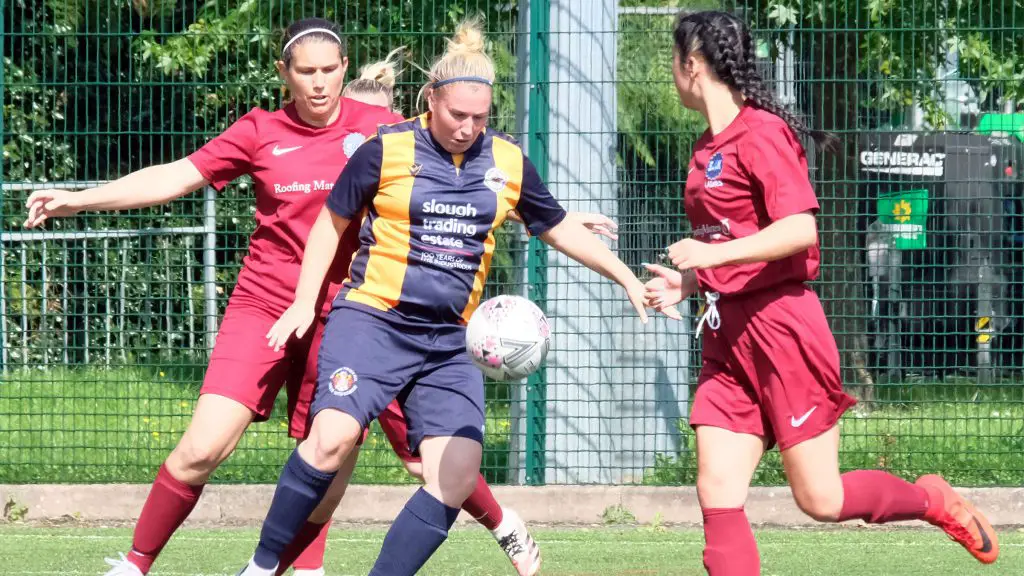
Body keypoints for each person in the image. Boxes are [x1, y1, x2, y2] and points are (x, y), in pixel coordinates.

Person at [234, 17, 648, 576]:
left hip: (451, 341)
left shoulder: (506, 160)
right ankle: (260, 568)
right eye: (457, 115)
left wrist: (624, 277)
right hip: (373, 321)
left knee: (453, 474)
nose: (467, 127)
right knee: (331, 439)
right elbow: (331, 225)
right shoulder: (387, 148)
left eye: (480, 117)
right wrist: (305, 302)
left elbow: (554, 226)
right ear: (432, 100)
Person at [23, 18, 402, 576]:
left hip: (349, 314)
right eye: (306, 72)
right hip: (266, 305)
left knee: (330, 449)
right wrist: (81, 200)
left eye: (329, 71)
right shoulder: (259, 129)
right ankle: (134, 564)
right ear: (284, 74)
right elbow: (176, 176)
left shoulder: (384, 128)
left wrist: (550, 217)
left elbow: (467, 173)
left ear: (345, 69)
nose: (319, 84)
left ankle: (304, 568)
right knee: (204, 448)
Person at [642, 10, 999, 575]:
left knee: (821, 500)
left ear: (691, 64)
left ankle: (931, 500)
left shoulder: (761, 133)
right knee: (716, 489)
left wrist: (710, 256)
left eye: (673, 61)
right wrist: (689, 281)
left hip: (782, 332)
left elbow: (800, 229)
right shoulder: (707, 146)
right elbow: (736, 238)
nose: (671, 72)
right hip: (727, 336)